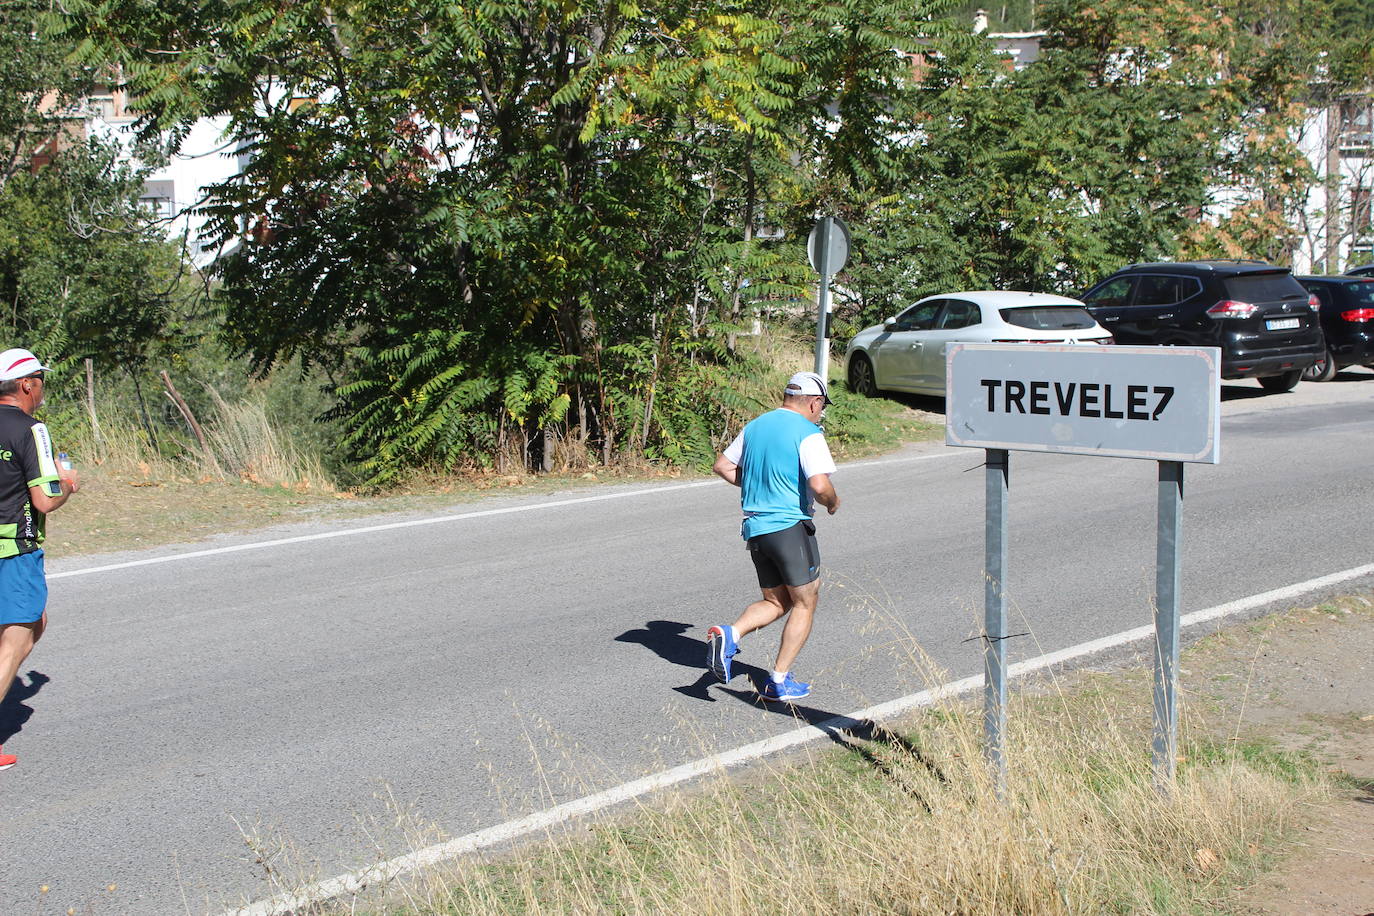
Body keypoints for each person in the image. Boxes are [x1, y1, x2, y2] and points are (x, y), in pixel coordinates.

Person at [706, 370, 840, 702]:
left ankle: (730, 634)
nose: (821, 412)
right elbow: (820, 485)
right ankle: (778, 681)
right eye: (822, 406)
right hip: (790, 527)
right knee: (805, 602)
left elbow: (723, 465)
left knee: (776, 601)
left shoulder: (756, 426)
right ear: (814, 402)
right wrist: (833, 503)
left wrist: (758, 486)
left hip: (756, 529)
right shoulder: (808, 432)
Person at [0, 348, 78, 770]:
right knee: (16, 641)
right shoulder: (33, 430)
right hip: (14, 548)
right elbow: (44, 502)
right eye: (40, 380)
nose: (42, 387)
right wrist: (67, 485)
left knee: (35, 623)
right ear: (27, 384)